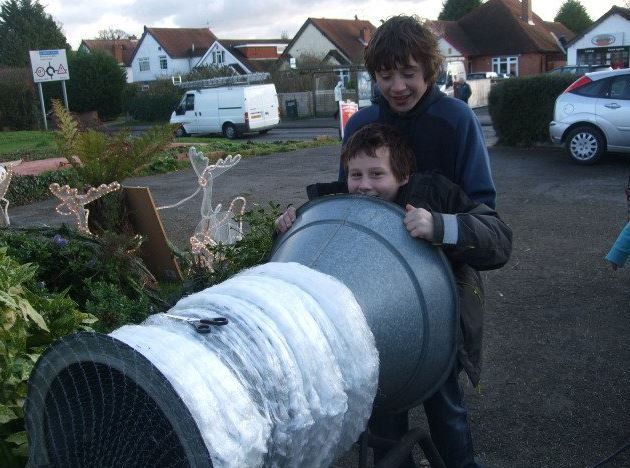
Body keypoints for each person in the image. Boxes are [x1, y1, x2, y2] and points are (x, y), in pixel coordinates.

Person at [276, 123, 513, 468]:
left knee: (447, 413)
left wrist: (442, 226)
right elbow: (310, 253)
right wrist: (286, 227)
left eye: (377, 173)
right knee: (384, 420)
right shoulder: (336, 205)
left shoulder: (435, 196)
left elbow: (500, 241)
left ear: (403, 176)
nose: (364, 185)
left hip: (437, 334)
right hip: (376, 337)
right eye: (355, 175)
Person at [340, 15, 495, 210]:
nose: (398, 87)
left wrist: (439, 227)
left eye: (408, 74)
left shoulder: (458, 119)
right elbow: (344, 198)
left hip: (441, 239)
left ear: (428, 70)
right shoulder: (359, 124)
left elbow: (482, 204)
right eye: (386, 76)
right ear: (374, 76)